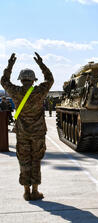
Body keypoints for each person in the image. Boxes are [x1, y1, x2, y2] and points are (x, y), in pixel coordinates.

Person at [1, 52, 54, 201]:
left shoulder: (16, 92)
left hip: (22, 133)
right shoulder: (39, 91)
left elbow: (4, 80)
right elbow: (50, 79)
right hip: (37, 133)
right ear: (33, 80)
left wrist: (10, 65)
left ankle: (26, 191)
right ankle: (35, 191)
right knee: (36, 160)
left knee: (24, 160)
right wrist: (41, 64)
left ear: (21, 79)